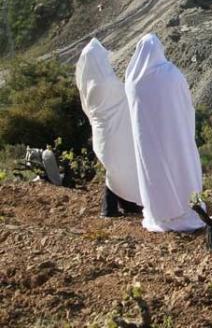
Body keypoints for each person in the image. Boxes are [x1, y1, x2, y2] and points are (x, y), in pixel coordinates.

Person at [125, 33, 204, 232]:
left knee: (155, 173)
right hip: (175, 135)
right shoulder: (171, 74)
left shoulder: (133, 80)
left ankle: (161, 213)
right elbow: (186, 103)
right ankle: (185, 210)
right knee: (180, 169)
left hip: (147, 141)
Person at [75, 38, 144, 218]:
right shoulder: (106, 83)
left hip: (102, 134)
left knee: (115, 168)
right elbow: (125, 93)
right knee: (119, 168)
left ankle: (126, 204)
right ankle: (110, 209)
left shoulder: (88, 84)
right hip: (115, 134)